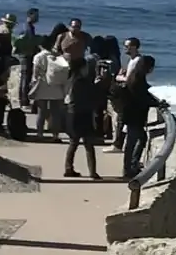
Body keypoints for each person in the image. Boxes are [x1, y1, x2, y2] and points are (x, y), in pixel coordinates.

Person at [114, 55, 164, 179]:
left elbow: (144, 95)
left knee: (139, 139)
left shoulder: (135, 76)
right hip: (134, 115)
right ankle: (129, 168)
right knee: (134, 141)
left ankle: (131, 166)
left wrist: (156, 102)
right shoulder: (138, 80)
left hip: (130, 114)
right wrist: (157, 103)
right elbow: (142, 97)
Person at [62, 39, 105, 179]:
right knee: (88, 144)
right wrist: (99, 83)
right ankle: (92, 172)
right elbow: (91, 95)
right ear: (82, 68)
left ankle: (69, 168)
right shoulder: (81, 82)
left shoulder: (71, 79)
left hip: (72, 113)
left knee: (73, 143)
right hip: (82, 114)